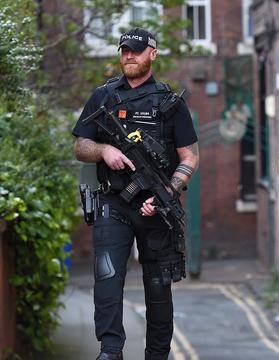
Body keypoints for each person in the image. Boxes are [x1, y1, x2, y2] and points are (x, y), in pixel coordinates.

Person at [73, 28, 199, 360]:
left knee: (158, 290)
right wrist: (104, 151)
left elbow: (190, 157)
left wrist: (166, 193)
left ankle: (157, 356)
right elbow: (80, 145)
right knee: (107, 281)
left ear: (152, 54)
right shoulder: (102, 96)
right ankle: (110, 352)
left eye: (137, 51)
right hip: (113, 204)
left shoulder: (170, 103)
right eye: (125, 50)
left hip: (156, 209)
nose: (129, 56)